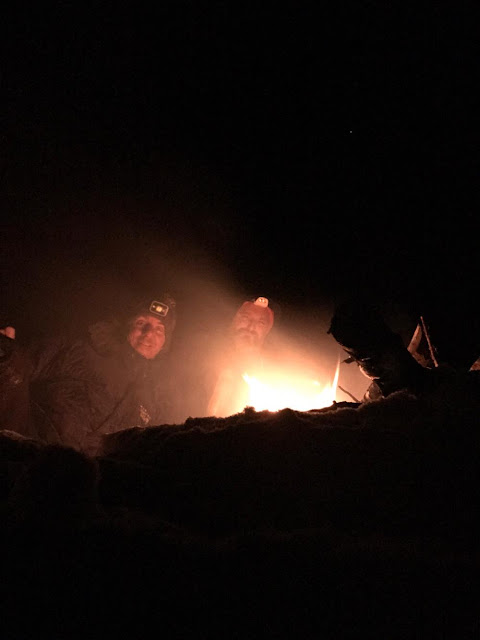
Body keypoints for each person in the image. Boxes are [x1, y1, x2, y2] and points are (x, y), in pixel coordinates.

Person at [0, 294, 177, 454]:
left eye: (159, 329)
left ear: (164, 343)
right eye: (141, 323)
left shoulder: (154, 400)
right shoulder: (80, 352)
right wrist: (7, 354)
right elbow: (20, 366)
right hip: (30, 465)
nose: (148, 333)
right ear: (127, 326)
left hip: (90, 486)